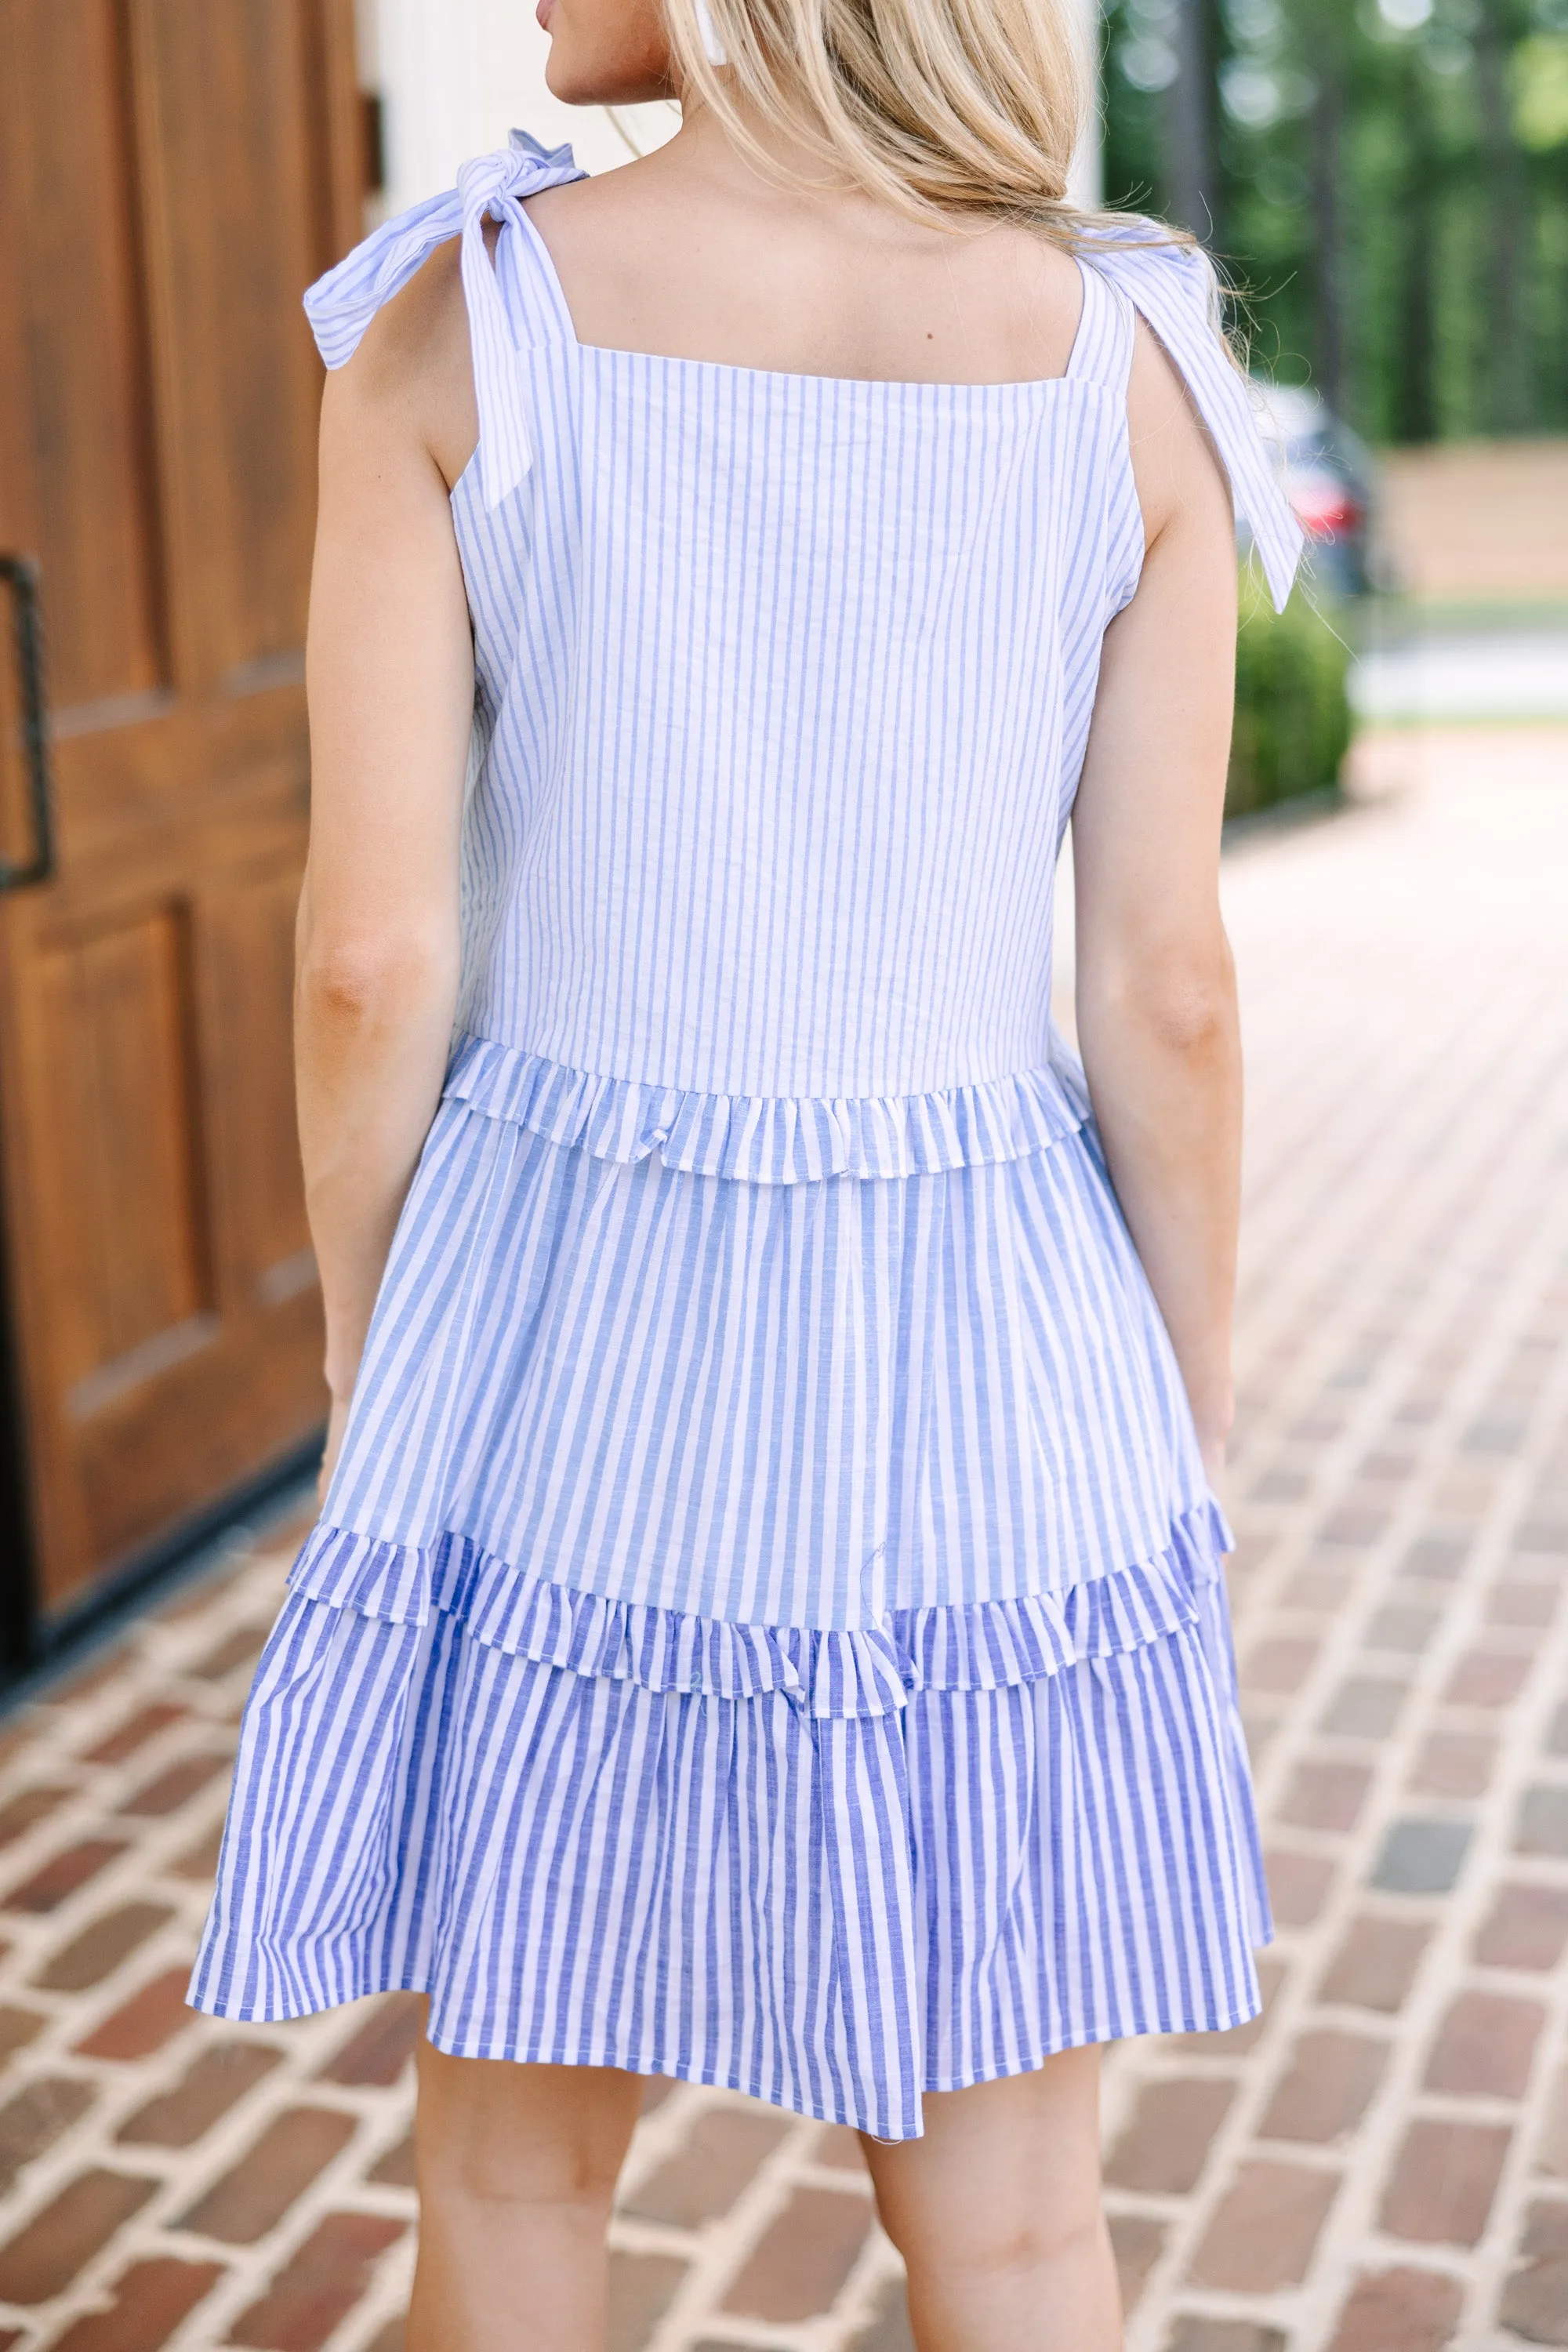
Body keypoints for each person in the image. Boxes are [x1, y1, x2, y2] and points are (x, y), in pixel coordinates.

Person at [189, 0, 1301, 2337]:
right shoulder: (1123, 358)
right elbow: (1167, 989)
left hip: (564, 1340)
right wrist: (1182, 1390)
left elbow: (373, 959)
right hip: (989, 1345)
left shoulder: (462, 316)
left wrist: (388, 1345)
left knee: (509, 2175)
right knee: (1011, 2217)